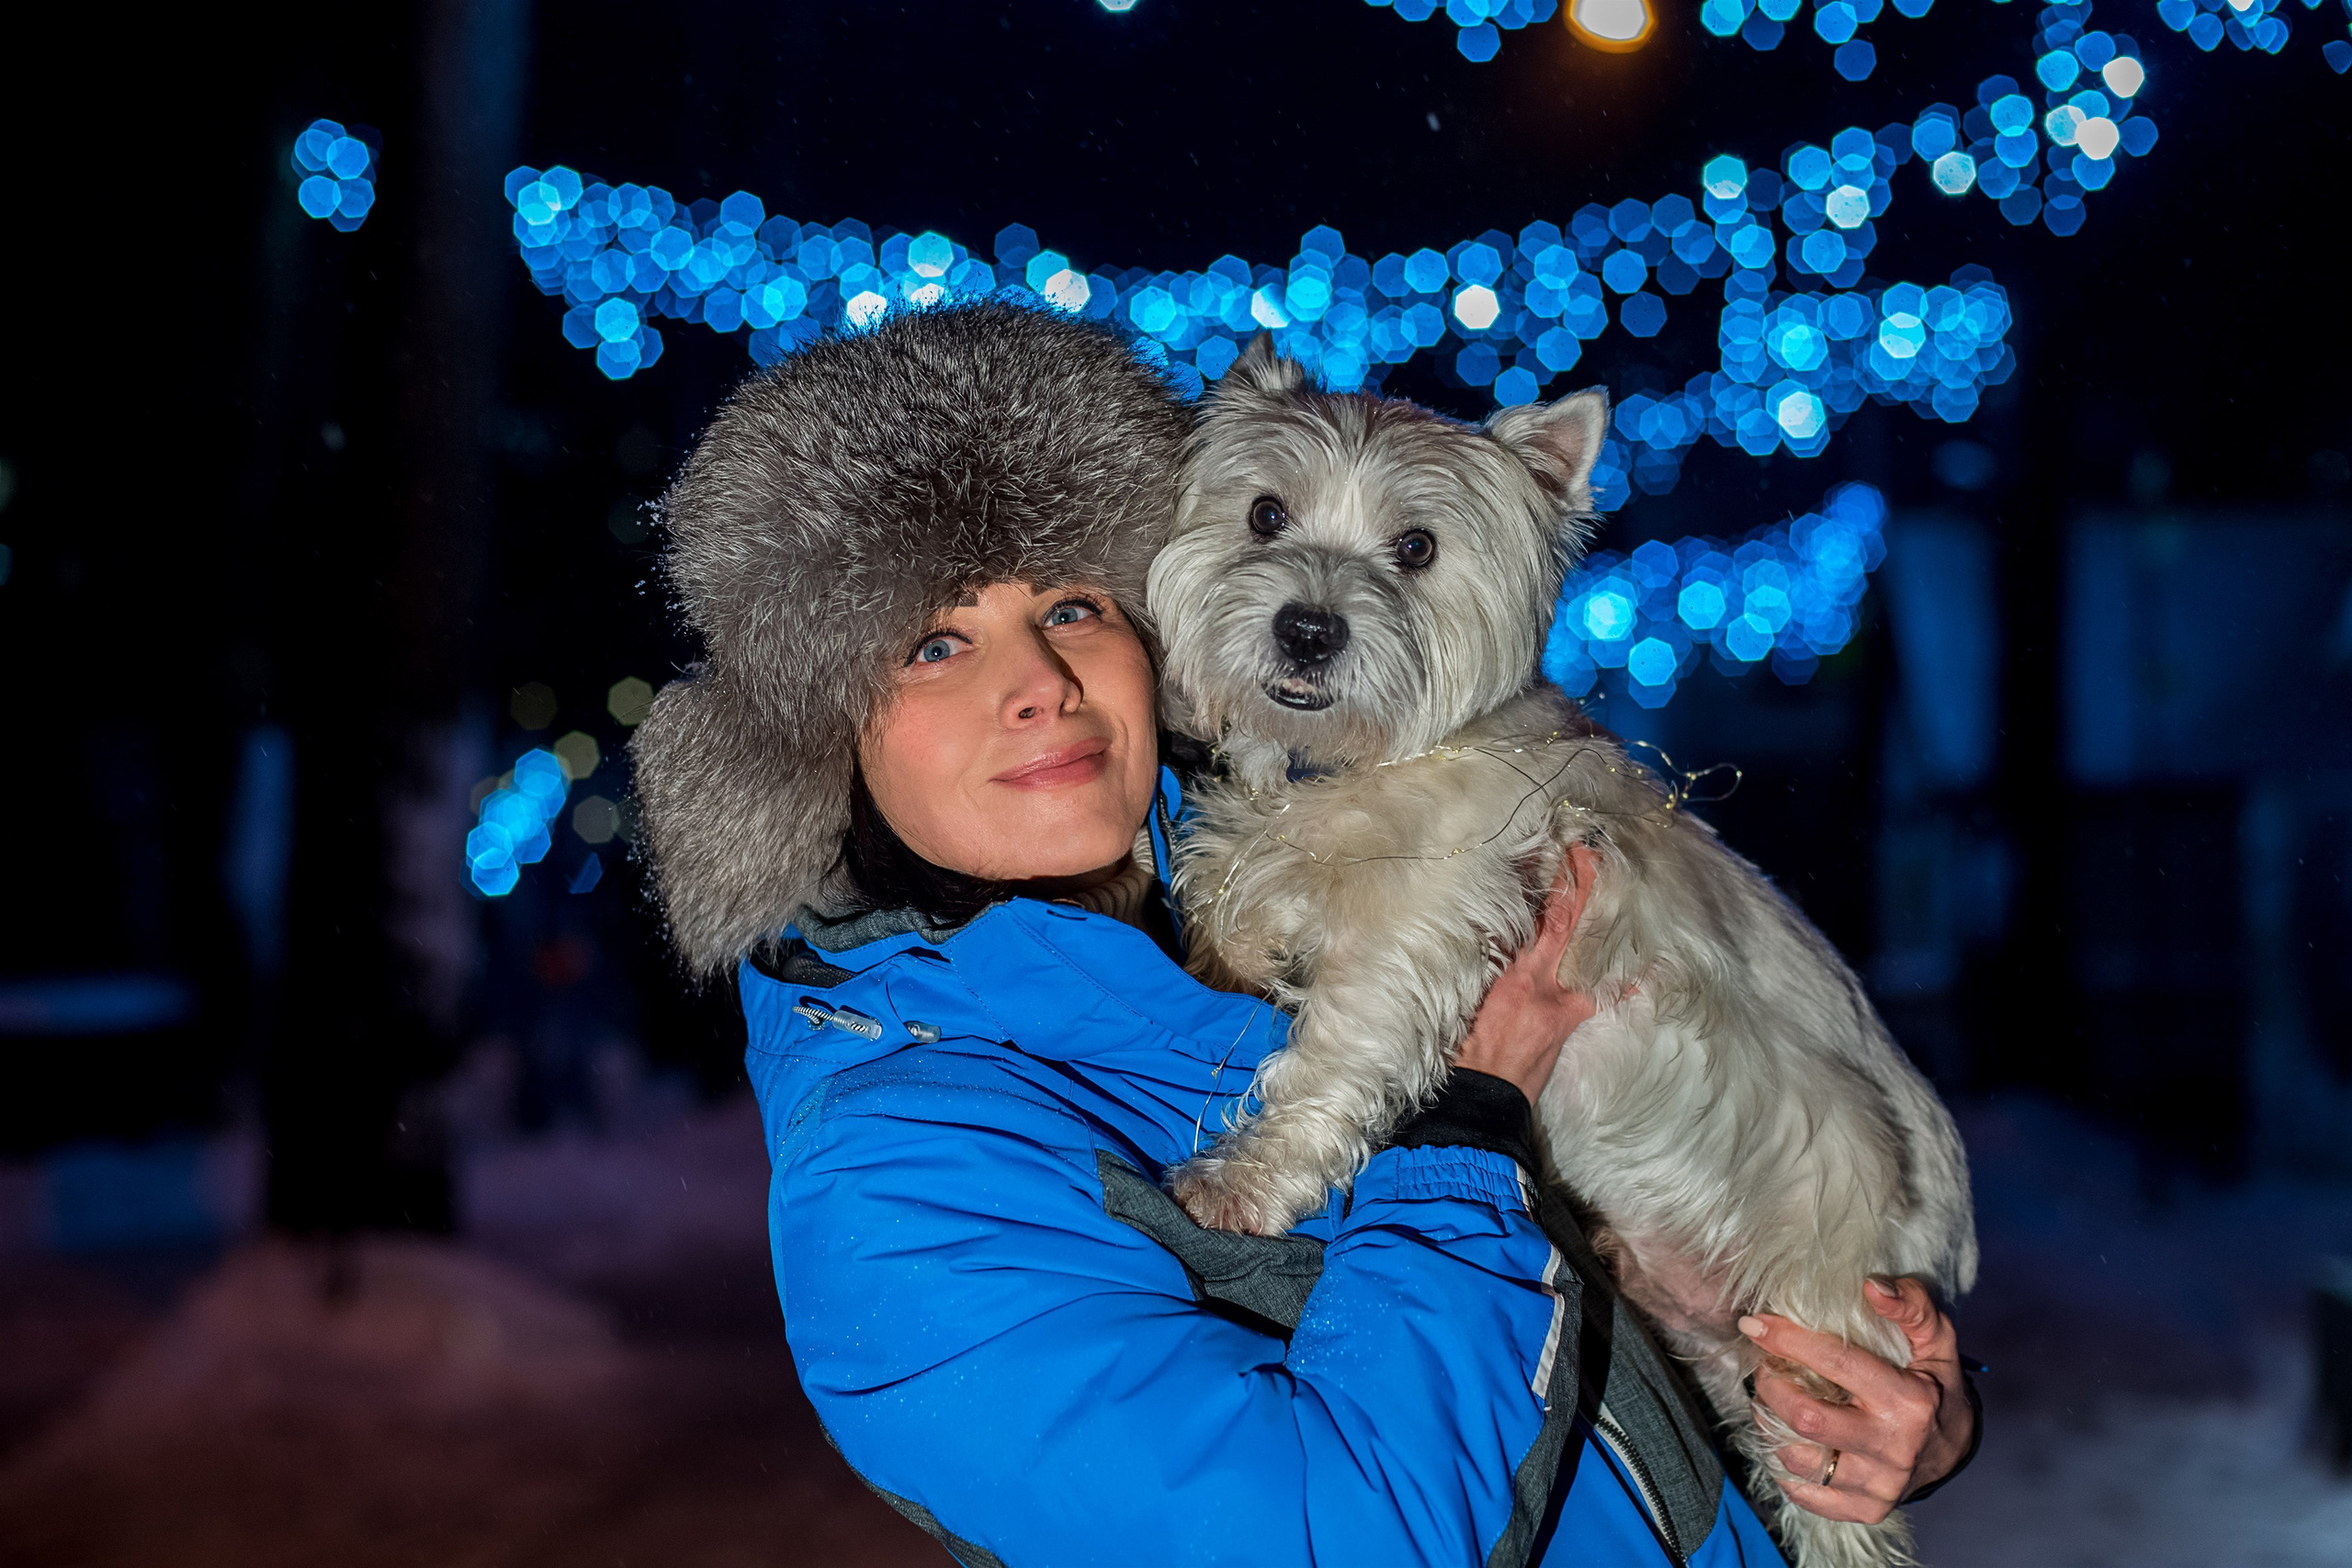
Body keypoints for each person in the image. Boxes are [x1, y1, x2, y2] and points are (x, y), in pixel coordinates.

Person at [632, 300, 1978, 1567]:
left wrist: (1900, 1420)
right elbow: (1350, 1538)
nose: (1037, 685)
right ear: (817, 727)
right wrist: (1466, 1122)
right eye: (934, 644)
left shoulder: (1282, 860)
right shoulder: (897, 1186)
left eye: (1069, 607)